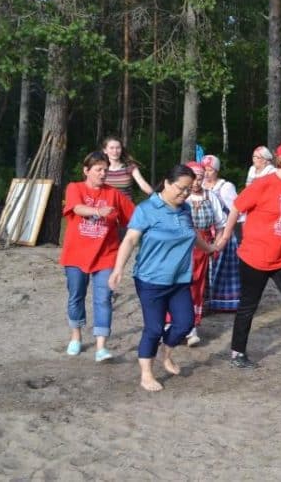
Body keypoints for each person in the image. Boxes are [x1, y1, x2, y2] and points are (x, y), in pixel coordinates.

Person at [214, 141, 281, 372]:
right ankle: (237, 352)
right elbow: (236, 207)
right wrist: (224, 238)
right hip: (256, 255)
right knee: (248, 306)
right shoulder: (263, 184)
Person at [109, 164, 217, 392]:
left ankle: (166, 354)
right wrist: (118, 269)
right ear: (167, 183)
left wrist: (208, 247)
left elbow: (190, 235)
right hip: (151, 279)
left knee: (185, 323)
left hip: (179, 279)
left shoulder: (185, 209)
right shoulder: (147, 209)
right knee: (154, 328)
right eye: (181, 188)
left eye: (189, 190)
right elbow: (129, 240)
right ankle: (146, 374)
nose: (185, 193)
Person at [60, 151, 134, 362]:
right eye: (98, 169)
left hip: (106, 256)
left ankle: (101, 346)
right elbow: (77, 208)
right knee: (76, 295)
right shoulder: (75, 187)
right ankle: (76, 336)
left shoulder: (114, 194)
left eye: (106, 170)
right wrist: (98, 211)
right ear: (87, 171)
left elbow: (135, 216)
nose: (103, 174)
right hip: (76, 255)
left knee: (104, 299)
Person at [182, 161, 226, 345]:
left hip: (203, 248)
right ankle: (170, 325)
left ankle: (191, 327)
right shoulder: (181, 197)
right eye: (193, 178)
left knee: (196, 286)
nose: (196, 182)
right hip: (182, 247)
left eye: (200, 178)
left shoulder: (211, 196)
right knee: (178, 285)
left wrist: (216, 245)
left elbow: (221, 224)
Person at [200, 154, 241, 313]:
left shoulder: (225, 187)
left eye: (210, 170)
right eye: (204, 170)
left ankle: (224, 302)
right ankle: (205, 301)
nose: (207, 173)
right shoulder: (199, 185)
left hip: (223, 232)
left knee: (222, 268)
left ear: (216, 170)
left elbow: (236, 210)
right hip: (205, 233)